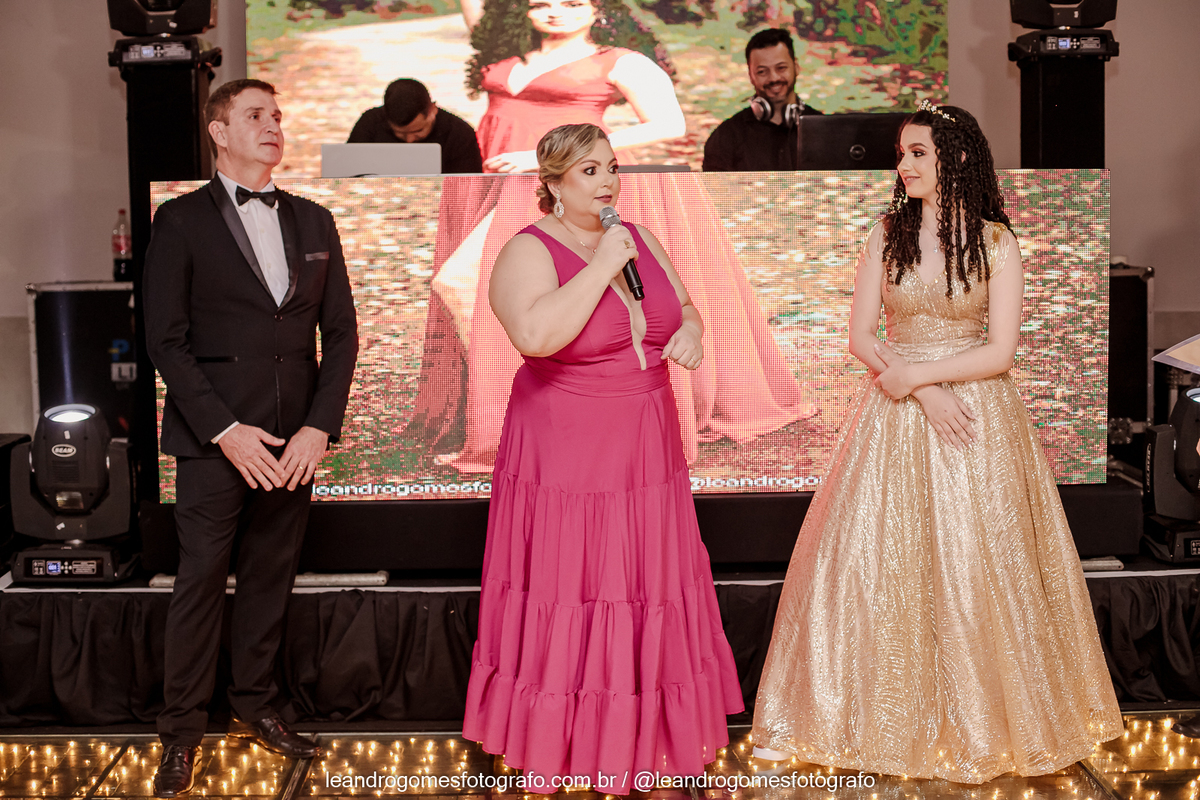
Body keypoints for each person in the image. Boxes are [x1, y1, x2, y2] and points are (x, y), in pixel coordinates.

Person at [750, 101, 1123, 782]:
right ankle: (839, 718)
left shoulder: (996, 242)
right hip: (897, 411)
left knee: (982, 561)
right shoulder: (885, 233)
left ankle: (987, 722)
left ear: (956, 158)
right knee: (874, 561)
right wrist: (920, 388)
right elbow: (861, 335)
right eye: (902, 153)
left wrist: (921, 377)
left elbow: (1000, 351)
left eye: (917, 153)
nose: (904, 165)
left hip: (976, 415)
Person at [401, 0, 814, 472]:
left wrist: (553, 159)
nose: (555, 11)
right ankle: (518, 403)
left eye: (572, 2)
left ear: (598, 6)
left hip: (564, 186)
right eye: (541, 3)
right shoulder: (503, 44)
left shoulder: (620, 60)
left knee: (482, 285)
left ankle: (542, 409)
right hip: (503, 187)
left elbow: (670, 123)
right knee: (480, 291)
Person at [462, 123, 743, 792]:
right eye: (589, 170)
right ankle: (567, 743)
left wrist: (691, 334)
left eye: (611, 167)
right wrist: (599, 267)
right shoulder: (527, 250)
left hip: (647, 444)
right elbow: (535, 336)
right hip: (569, 451)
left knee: (645, 582)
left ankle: (647, 735)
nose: (609, 181)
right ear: (554, 183)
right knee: (576, 584)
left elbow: (686, 308)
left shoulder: (638, 238)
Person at [143, 78, 359, 797]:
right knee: (200, 584)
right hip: (214, 441)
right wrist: (225, 430)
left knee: (270, 578)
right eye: (256, 115)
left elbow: (342, 334)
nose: (273, 125)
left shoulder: (315, 220)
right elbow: (165, 341)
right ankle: (180, 735)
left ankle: (256, 708)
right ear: (219, 130)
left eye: (277, 116)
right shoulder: (179, 220)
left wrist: (318, 426)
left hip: (294, 440)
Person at [702, 28, 821, 172]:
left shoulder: (824, 132)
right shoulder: (726, 137)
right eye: (762, 72)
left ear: (796, 67)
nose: (773, 78)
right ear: (750, 75)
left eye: (781, 68)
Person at [347, 78, 484, 174]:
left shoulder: (460, 134)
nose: (409, 140)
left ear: (433, 110)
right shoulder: (370, 123)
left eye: (418, 131)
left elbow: (469, 188)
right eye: (400, 134)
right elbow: (348, 175)